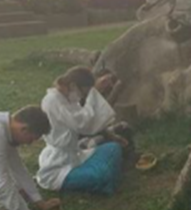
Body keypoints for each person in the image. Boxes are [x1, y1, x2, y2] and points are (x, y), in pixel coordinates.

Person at [36, 67, 129, 196]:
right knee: (100, 174)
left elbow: (87, 119)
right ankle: (101, 179)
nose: (81, 97)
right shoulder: (53, 101)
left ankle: (103, 179)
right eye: (83, 93)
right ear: (73, 85)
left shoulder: (67, 98)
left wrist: (112, 136)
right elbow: (83, 123)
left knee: (113, 148)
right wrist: (94, 92)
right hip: (59, 165)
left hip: (76, 154)